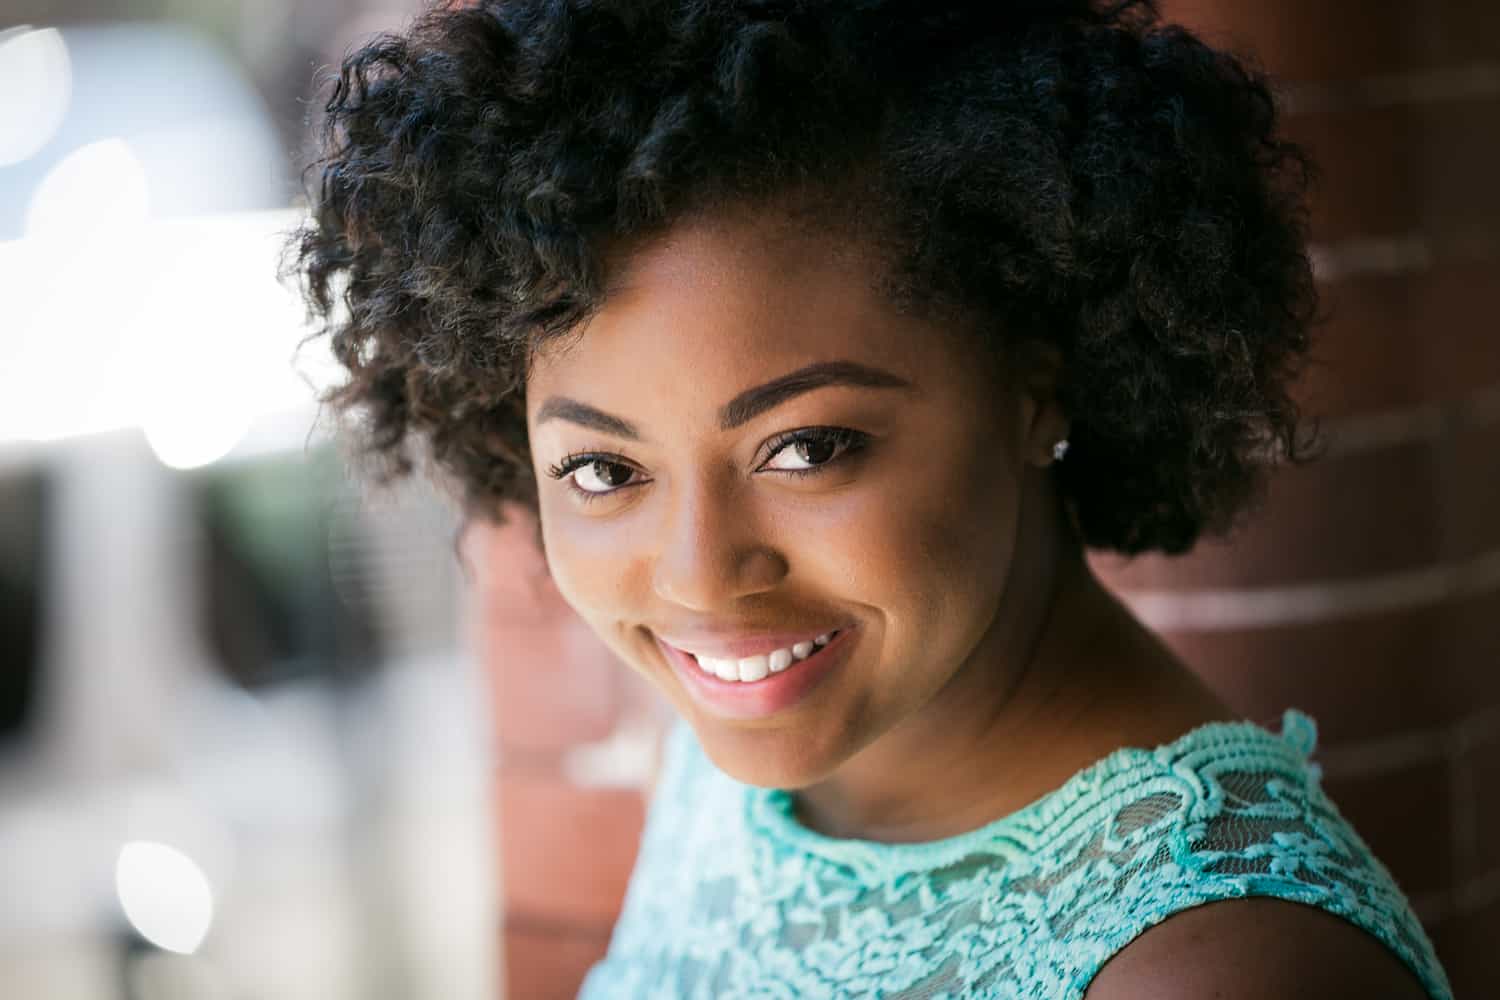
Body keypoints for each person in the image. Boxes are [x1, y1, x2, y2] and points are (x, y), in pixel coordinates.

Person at [289, 1, 1455, 996]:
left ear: (1034, 384)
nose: (699, 577)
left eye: (808, 448)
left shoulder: (1219, 968)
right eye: (604, 469)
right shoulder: (741, 749)